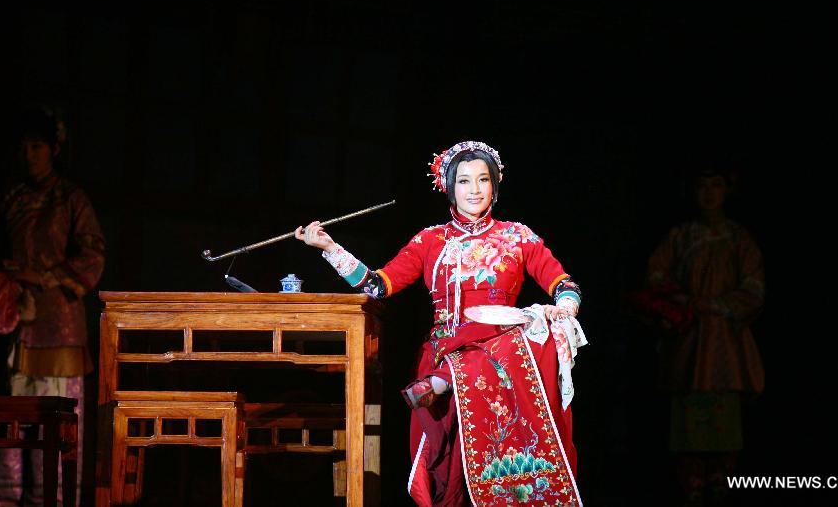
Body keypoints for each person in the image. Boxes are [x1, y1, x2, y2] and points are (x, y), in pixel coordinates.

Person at [296, 141, 585, 506]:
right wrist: (329, 248)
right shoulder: (429, 241)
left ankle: (444, 382)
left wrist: (565, 307)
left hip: (504, 356)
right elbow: (377, 286)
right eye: (464, 181)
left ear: (495, 185)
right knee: (448, 473)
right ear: (450, 187)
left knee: (533, 325)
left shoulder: (518, 237)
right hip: (446, 347)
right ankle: (444, 378)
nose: (475, 190)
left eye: (483, 180)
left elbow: (564, 284)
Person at [0, 106, 105, 506]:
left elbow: (92, 256)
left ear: (53, 149)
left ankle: (55, 500)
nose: (29, 154)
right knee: (9, 426)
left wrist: (44, 276)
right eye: (24, 147)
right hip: (17, 323)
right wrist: (2, 276)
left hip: (61, 327)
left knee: (60, 427)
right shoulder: (10, 198)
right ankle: (3, 499)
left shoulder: (71, 199)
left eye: (37, 146)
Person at [646, 168, 765, 507]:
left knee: (723, 413)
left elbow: (755, 289)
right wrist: (682, 302)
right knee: (686, 414)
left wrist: (715, 305)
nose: (709, 193)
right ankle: (691, 485)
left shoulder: (739, 239)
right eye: (702, 185)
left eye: (716, 185)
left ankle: (721, 482)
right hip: (689, 341)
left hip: (726, 344)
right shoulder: (681, 236)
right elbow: (656, 276)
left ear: (728, 190)